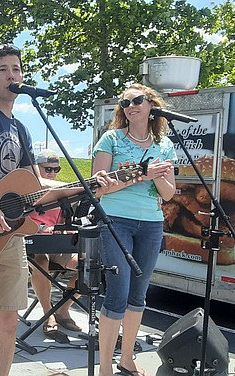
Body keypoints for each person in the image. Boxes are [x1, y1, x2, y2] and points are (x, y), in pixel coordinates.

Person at [0, 45, 114, 376]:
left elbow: (35, 186)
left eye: (16, 69)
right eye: (3, 70)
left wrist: (87, 185)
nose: (11, 75)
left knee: (8, 318)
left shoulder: (22, 129)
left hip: (10, 237)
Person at [92, 83, 176, 376]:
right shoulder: (111, 139)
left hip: (151, 224)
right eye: (125, 102)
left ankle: (126, 359)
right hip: (116, 220)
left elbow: (168, 194)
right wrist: (142, 174)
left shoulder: (164, 144)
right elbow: (97, 188)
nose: (130, 106)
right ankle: (104, 367)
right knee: (118, 292)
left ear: (152, 105)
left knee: (138, 294)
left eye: (137, 100)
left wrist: (156, 176)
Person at [28, 149, 81, 340]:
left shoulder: (60, 191)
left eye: (55, 169)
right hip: (35, 244)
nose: (52, 173)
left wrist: (69, 230)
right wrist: (40, 228)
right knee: (40, 263)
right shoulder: (28, 191)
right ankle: (48, 313)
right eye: (47, 169)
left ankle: (64, 310)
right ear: (36, 168)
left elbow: (65, 222)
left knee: (87, 266)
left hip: (58, 243)